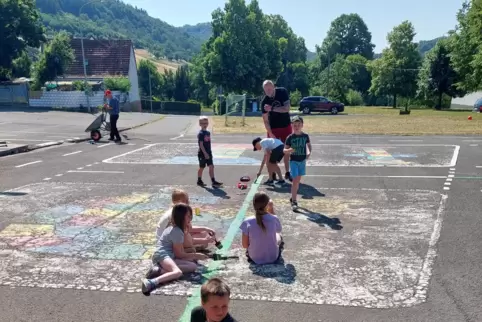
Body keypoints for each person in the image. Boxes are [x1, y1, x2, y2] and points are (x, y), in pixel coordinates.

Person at [141, 203, 209, 296]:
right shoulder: (177, 231)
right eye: (188, 216)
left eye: (190, 216)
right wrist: (196, 255)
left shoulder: (178, 229)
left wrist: (193, 255)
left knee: (193, 266)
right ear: (181, 217)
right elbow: (180, 254)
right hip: (162, 255)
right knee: (177, 272)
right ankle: (151, 282)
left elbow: (181, 252)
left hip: (169, 255)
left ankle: (159, 270)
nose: (190, 219)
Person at [156, 189, 216, 253]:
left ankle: (187, 248)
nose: (188, 203)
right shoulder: (178, 215)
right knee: (202, 242)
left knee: (204, 233)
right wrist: (205, 241)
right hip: (167, 244)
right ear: (177, 202)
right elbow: (187, 236)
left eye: (188, 200)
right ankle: (185, 250)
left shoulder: (176, 210)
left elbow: (189, 228)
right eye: (185, 201)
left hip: (165, 239)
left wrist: (205, 229)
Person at [261, 80, 292, 182]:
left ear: (273, 86)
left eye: (269, 88)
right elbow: (265, 120)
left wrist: (272, 108)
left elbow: (287, 108)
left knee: (286, 150)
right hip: (273, 128)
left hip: (285, 126)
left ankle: (287, 172)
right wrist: (270, 132)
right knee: (269, 152)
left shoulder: (282, 92)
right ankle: (272, 175)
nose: (268, 91)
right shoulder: (264, 101)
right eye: (266, 90)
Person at [240, 192, 283, 265]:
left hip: (254, 258)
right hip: (273, 257)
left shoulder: (247, 221)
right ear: (267, 205)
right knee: (279, 236)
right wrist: (271, 210)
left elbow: (245, 245)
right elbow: (278, 230)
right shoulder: (273, 219)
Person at [284, 116, 311, 210]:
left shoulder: (305, 136)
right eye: (295, 125)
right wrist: (289, 150)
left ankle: (293, 197)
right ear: (291, 126)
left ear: (302, 125)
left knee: (297, 181)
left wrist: (308, 153)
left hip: (302, 161)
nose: (297, 127)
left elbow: (308, 146)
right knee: (295, 180)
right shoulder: (290, 137)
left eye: (299, 125)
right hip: (294, 161)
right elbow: (284, 150)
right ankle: (294, 201)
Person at [197, 116, 223, 188]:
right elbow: (201, 144)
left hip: (209, 152)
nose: (204, 124)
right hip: (202, 153)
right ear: (200, 124)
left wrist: (209, 152)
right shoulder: (201, 133)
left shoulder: (208, 133)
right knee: (202, 167)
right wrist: (205, 153)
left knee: (211, 166)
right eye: (203, 123)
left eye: (206, 123)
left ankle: (213, 181)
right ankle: (199, 180)